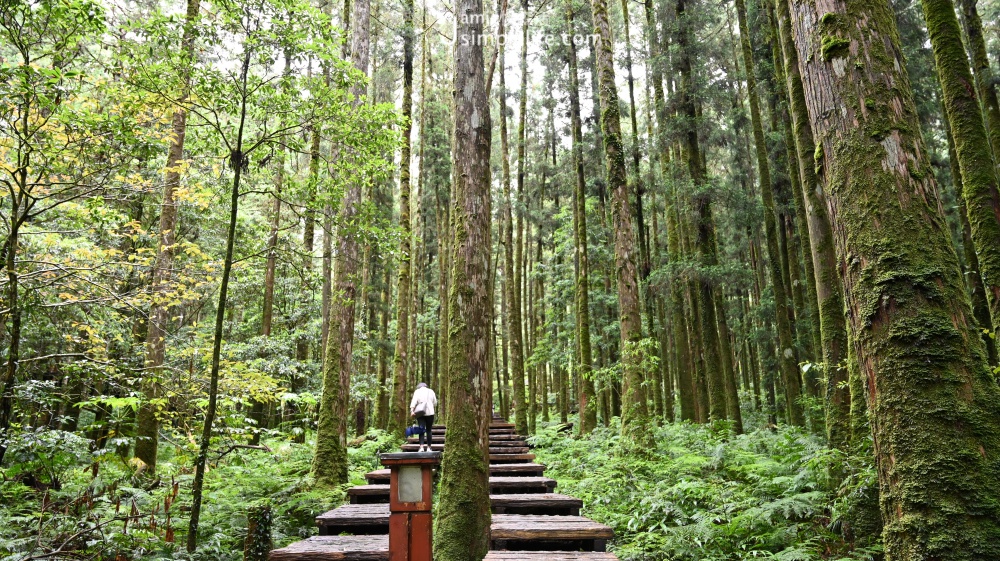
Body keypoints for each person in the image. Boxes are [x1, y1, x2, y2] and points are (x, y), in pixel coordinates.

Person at [409, 382, 438, 452]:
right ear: (426, 386)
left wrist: (412, 410)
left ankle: (421, 447)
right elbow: (435, 403)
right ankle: (429, 447)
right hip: (430, 413)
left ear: (419, 387)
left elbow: (414, 401)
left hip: (420, 413)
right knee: (429, 430)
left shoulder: (417, 392)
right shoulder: (431, 391)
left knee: (421, 430)